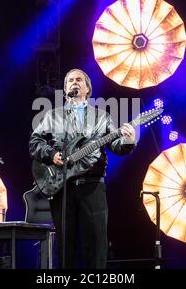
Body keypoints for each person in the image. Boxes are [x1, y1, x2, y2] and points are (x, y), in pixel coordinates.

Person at [29, 69, 136, 269]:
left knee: (96, 244)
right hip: (62, 187)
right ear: (65, 89)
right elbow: (35, 142)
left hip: (92, 186)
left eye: (79, 80)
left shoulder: (102, 117)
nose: (74, 83)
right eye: (70, 80)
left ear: (87, 88)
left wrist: (129, 141)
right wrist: (51, 155)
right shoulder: (53, 116)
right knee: (65, 246)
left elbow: (116, 146)